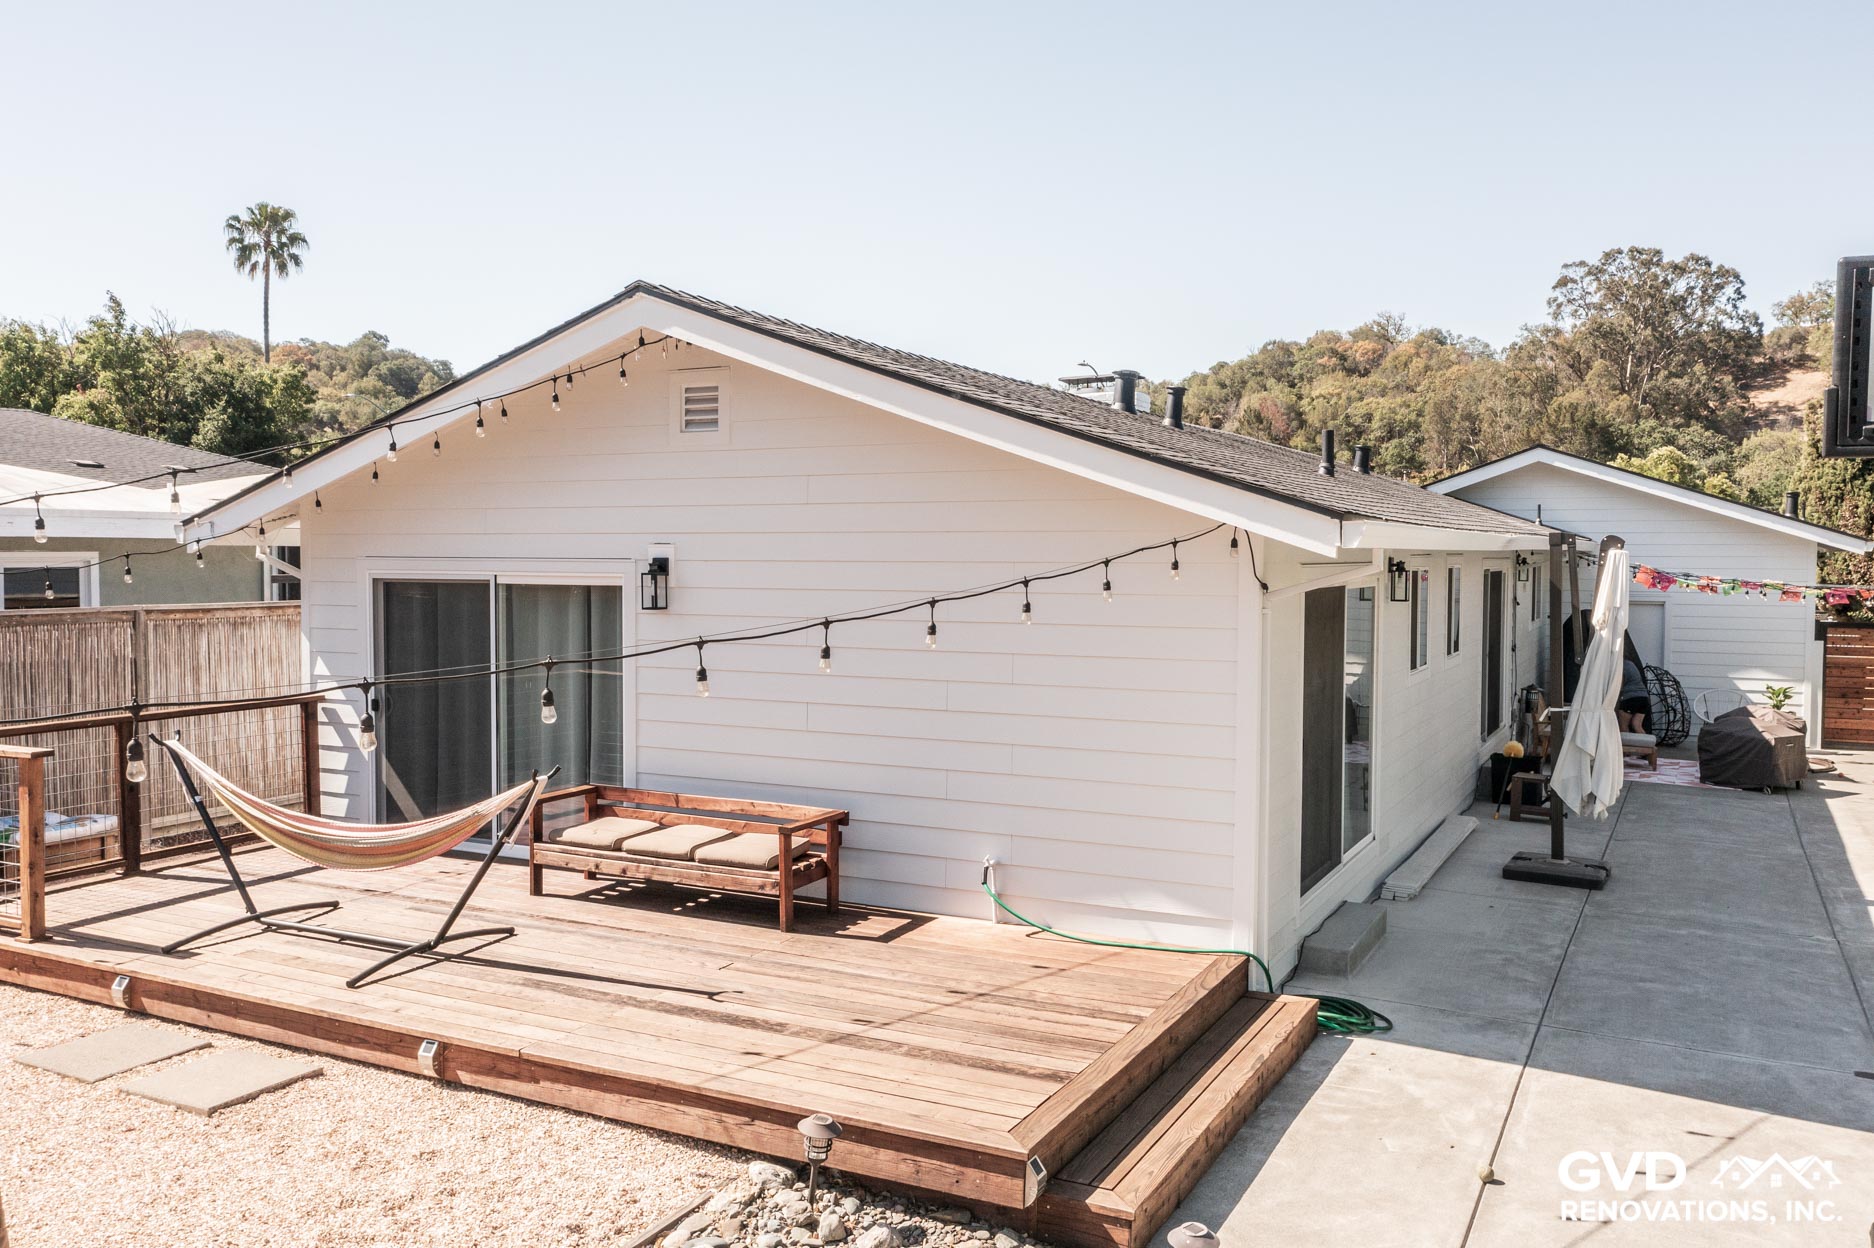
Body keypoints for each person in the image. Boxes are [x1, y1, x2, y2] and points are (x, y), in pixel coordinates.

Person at [1618, 655, 1650, 734]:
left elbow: (1619, 686)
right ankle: (1646, 744)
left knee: (1623, 727)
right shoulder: (1630, 664)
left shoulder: (1620, 667)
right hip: (1644, 698)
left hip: (1630, 699)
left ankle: (1624, 746)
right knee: (1637, 726)